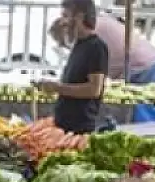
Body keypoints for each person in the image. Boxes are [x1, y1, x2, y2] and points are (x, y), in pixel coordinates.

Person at [39, 0, 110, 134]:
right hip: (65, 126)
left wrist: (57, 88)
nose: (63, 22)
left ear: (79, 17)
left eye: (66, 16)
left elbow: (94, 89)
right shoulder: (79, 45)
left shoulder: (96, 47)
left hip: (79, 128)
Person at [53, 10, 155, 84]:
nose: (68, 47)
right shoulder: (95, 23)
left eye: (64, 43)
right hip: (149, 61)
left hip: (142, 68)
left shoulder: (89, 35)